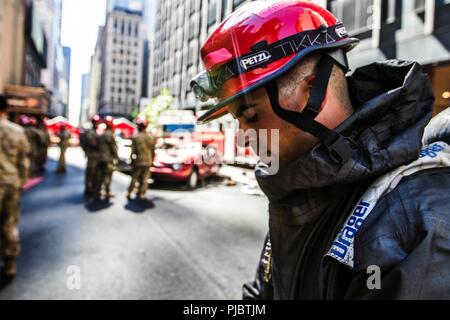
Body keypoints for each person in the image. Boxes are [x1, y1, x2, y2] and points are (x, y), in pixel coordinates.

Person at [191, 0, 450, 299]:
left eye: (250, 116)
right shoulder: (295, 189)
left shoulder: (412, 222)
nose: (242, 138)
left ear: (314, 92)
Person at [0, 95, 30, 280]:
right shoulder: (17, 131)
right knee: (9, 223)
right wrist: (20, 183)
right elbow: (24, 162)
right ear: (6, 110)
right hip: (10, 183)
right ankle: (10, 263)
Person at [127, 119, 155, 200]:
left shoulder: (136, 137)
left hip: (138, 160)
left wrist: (131, 160)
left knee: (134, 177)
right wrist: (152, 160)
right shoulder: (150, 137)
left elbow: (133, 151)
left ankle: (129, 192)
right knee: (145, 178)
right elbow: (153, 150)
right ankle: (142, 193)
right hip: (148, 160)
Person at [96, 119, 118, 200]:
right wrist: (117, 158)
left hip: (100, 158)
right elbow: (114, 149)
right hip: (108, 159)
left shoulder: (101, 135)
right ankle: (107, 192)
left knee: (100, 176)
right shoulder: (110, 135)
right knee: (108, 176)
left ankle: (97, 191)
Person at [80, 116, 101, 197]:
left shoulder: (94, 132)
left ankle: (92, 188)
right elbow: (92, 144)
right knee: (91, 172)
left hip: (94, 156)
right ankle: (89, 189)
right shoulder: (91, 133)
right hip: (92, 156)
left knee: (94, 173)